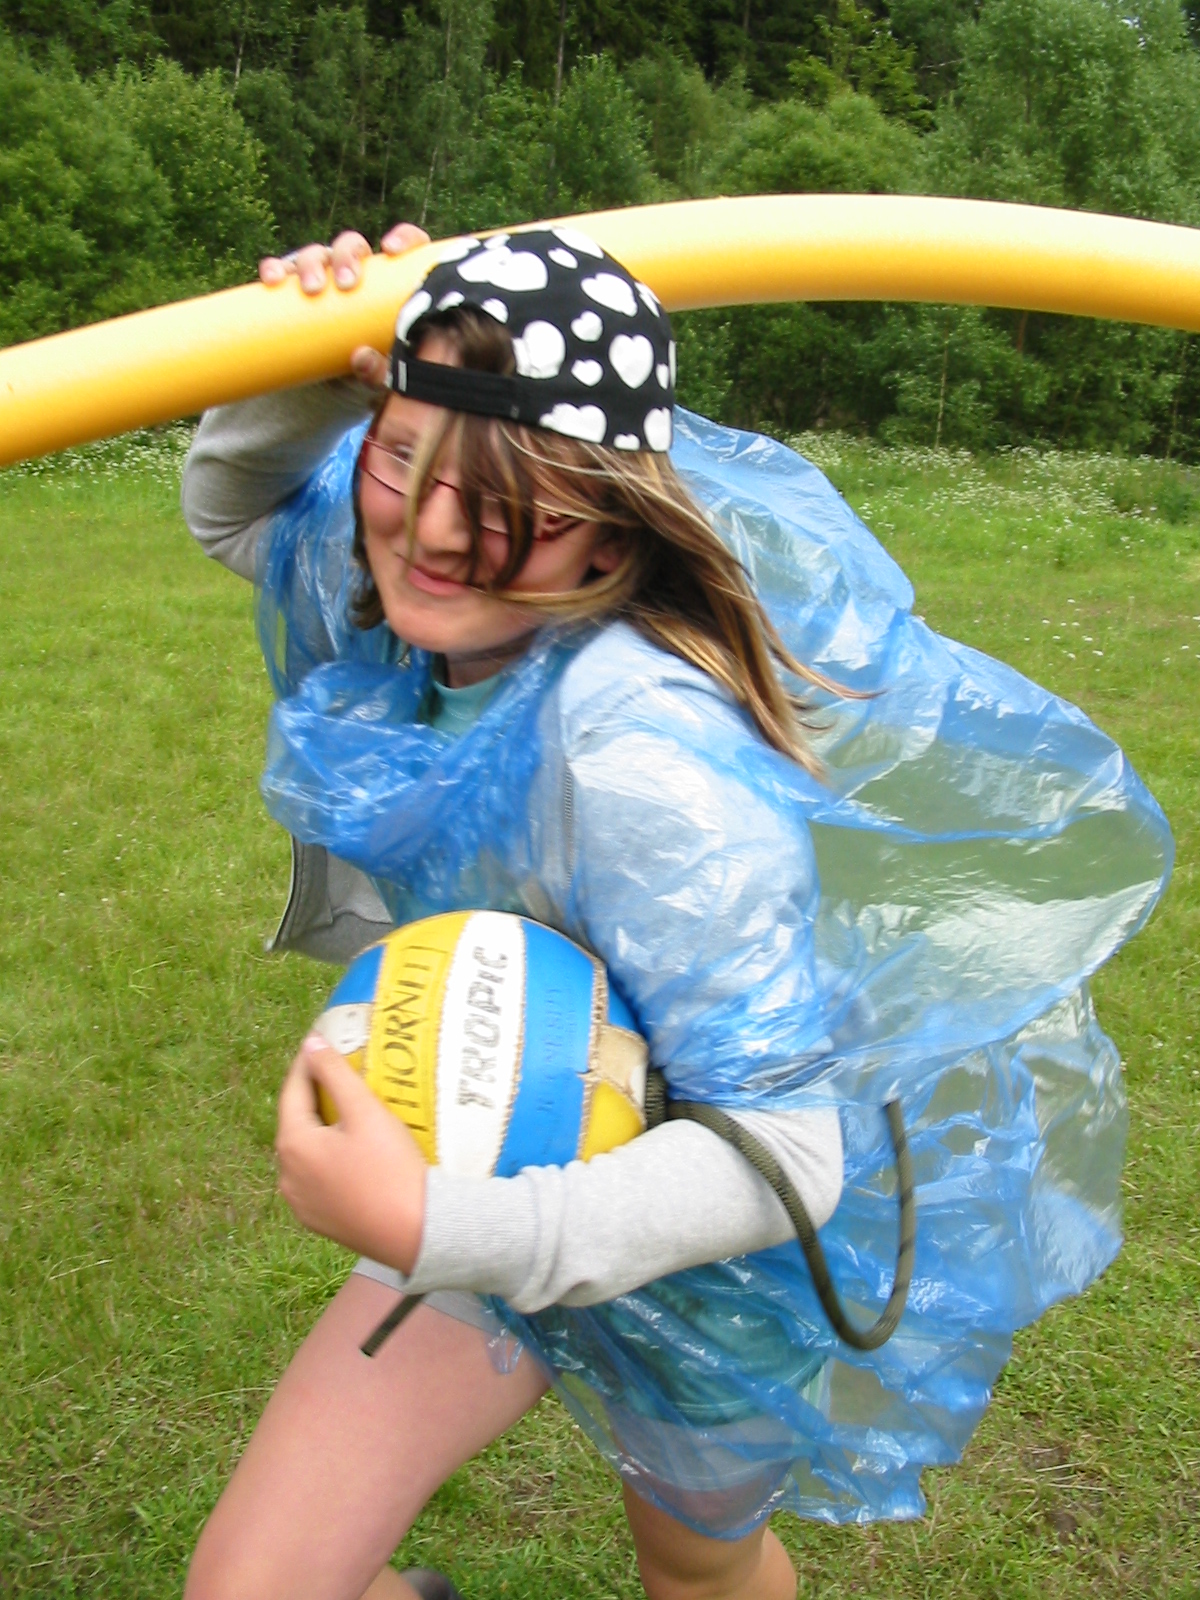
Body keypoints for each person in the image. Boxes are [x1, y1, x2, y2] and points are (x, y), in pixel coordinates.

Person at [180, 223, 1171, 1600]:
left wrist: (443, 1227)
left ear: (612, 518)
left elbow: (784, 1155)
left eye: (516, 502)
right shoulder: (391, 578)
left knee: (696, 1573)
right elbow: (237, 512)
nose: (440, 531)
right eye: (403, 458)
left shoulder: (643, 750)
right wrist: (306, 350)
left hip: (707, 1249)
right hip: (505, 1126)